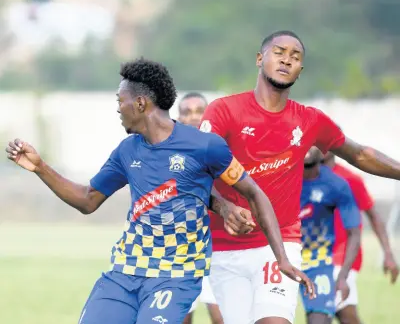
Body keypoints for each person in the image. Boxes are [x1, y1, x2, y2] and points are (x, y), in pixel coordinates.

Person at [5, 58, 314, 324]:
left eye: (120, 101)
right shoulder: (127, 151)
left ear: (140, 103)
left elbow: (254, 192)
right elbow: (87, 201)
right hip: (125, 273)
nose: (118, 109)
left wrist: (282, 258)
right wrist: (40, 167)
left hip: (176, 276)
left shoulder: (204, 146)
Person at [200, 30, 400, 324]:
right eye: (279, 52)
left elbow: (359, 154)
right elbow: (193, 169)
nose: (286, 60)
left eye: (295, 57)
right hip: (226, 249)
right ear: (260, 59)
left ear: (300, 71)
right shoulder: (224, 111)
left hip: (280, 245)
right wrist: (223, 207)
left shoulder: (310, 120)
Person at [322, 151, 399, 324]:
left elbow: (374, 216)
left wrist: (387, 253)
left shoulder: (350, 179)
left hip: (343, 255)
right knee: (323, 313)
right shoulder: (305, 177)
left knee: (340, 313)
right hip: (313, 256)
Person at [300, 146, 361, 324]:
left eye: (315, 142)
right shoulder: (281, 176)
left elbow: (354, 232)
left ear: (324, 149)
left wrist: (342, 276)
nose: (309, 147)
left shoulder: (336, 184)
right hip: (279, 259)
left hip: (316, 264)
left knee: (321, 320)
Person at [177, 92, 224, 324]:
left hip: (220, 252)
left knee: (223, 318)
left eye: (200, 111)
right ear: (178, 118)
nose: (194, 117)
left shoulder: (222, 152)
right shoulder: (169, 154)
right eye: (187, 112)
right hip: (181, 253)